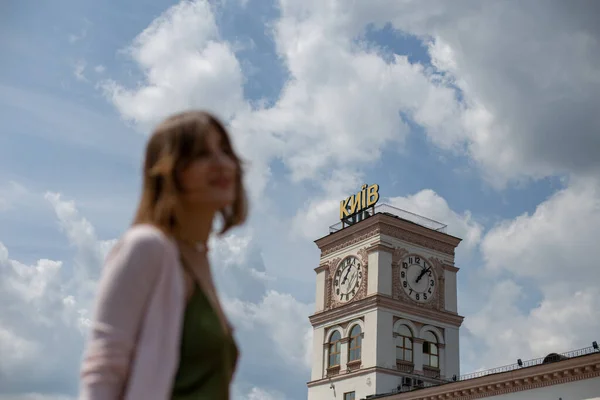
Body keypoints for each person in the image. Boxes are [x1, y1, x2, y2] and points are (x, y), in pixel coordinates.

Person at [79, 110, 248, 400]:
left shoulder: (199, 259)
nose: (222, 164)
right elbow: (103, 369)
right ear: (169, 170)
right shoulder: (146, 247)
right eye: (202, 154)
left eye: (225, 151)